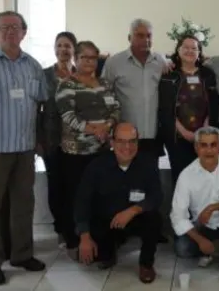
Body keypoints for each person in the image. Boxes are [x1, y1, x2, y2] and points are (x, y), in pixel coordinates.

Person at [0, 11, 47, 285]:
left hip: (24, 149)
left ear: (24, 32)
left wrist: (38, 141)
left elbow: (40, 106)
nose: (11, 32)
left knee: (23, 204)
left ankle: (22, 254)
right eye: (5, 28)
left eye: (16, 27)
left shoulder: (33, 66)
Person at [74, 122, 163, 283]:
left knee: (154, 218)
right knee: (95, 257)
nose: (127, 147)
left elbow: (156, 196)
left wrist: (133, 210)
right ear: (112, 142)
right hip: (105, 220)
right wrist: (84, 237)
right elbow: (82, 201)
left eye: (132, 141)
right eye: (121, 141)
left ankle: (146, 264)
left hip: (135, 218)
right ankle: (108, 252)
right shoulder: (96, 166)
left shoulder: (148, 163)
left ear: (138, 142)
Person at [55, 41, 120, 256]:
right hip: (76, 154)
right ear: (76, 58)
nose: (89, 62)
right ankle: (77, 239)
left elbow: (115, 110)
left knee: (100, 196)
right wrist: (94, 129)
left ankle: (99, 238)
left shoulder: (105, 83)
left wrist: (108, 127)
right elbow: (68, 115)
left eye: (93, 58)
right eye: (84, 57)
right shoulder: (67, 85)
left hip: (101, 151)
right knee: (77, 196)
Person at [171, 127, 219, 284]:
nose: (209, 150)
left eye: (213, 145)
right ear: (196, 147)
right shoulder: (187, 175)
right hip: (202, 225)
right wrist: (200, 240)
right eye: (204, 145)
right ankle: (209, 250)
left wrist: (212, 207)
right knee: (182, 249)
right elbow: (177, 216)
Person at [100, 18, 169, 162]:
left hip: (152, 135)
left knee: (150, 179)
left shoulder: (160, 62)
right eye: (140, 35)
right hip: (125, 137)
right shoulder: (114, 63)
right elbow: (104, 95)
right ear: (129, 38)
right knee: (124, 179)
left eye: (149, 36)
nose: (146, 40)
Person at [159, 34, 219, 183]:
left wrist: (203, 131)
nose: (189, 51)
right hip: (177, 138)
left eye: (194, 48)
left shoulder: (207, 74)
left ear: (199, 52)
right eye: (185, 47)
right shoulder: (169, 75)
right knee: (182, 180)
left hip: (204, 138)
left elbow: (212, 104)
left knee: (205, 179)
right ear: (178, 50)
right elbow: (165, 108)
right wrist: (184, 132)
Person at [37, 31, 77, 243]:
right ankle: (60, 226)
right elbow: (36, 110)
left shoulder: (81, 74)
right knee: (56, 184)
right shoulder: (44, 76)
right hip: (51, 140)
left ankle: (73, 225)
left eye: (67, 46)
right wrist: (38, 140)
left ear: (74, 50)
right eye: (59, 45)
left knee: (74, 185)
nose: (63, 50)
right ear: (54, 49)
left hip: (76, 142)